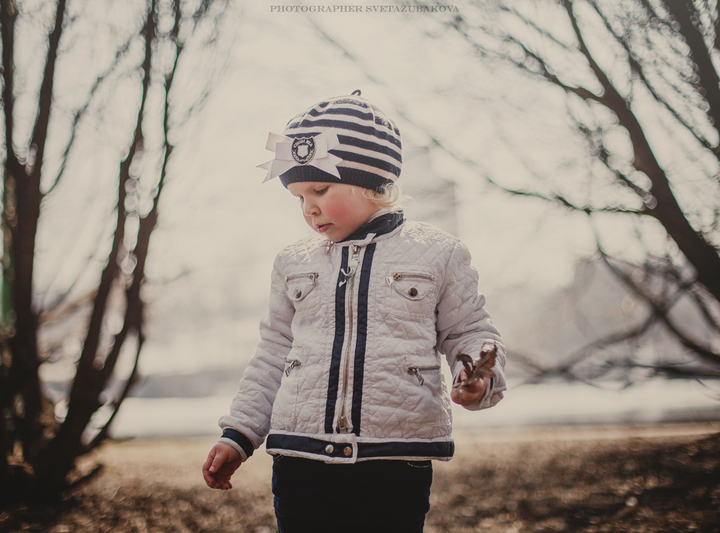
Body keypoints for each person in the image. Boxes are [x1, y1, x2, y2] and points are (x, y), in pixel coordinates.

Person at [203, 91, 506, 533]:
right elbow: (273, 353)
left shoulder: (439, 254)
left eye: (320, 189)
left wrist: (477, 373)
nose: (309, 208)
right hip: (300, 461)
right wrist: (239, 434)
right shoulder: (292, 263)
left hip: (393, 462)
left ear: (371, 182)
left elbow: (469, 331)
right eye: (298, 197)